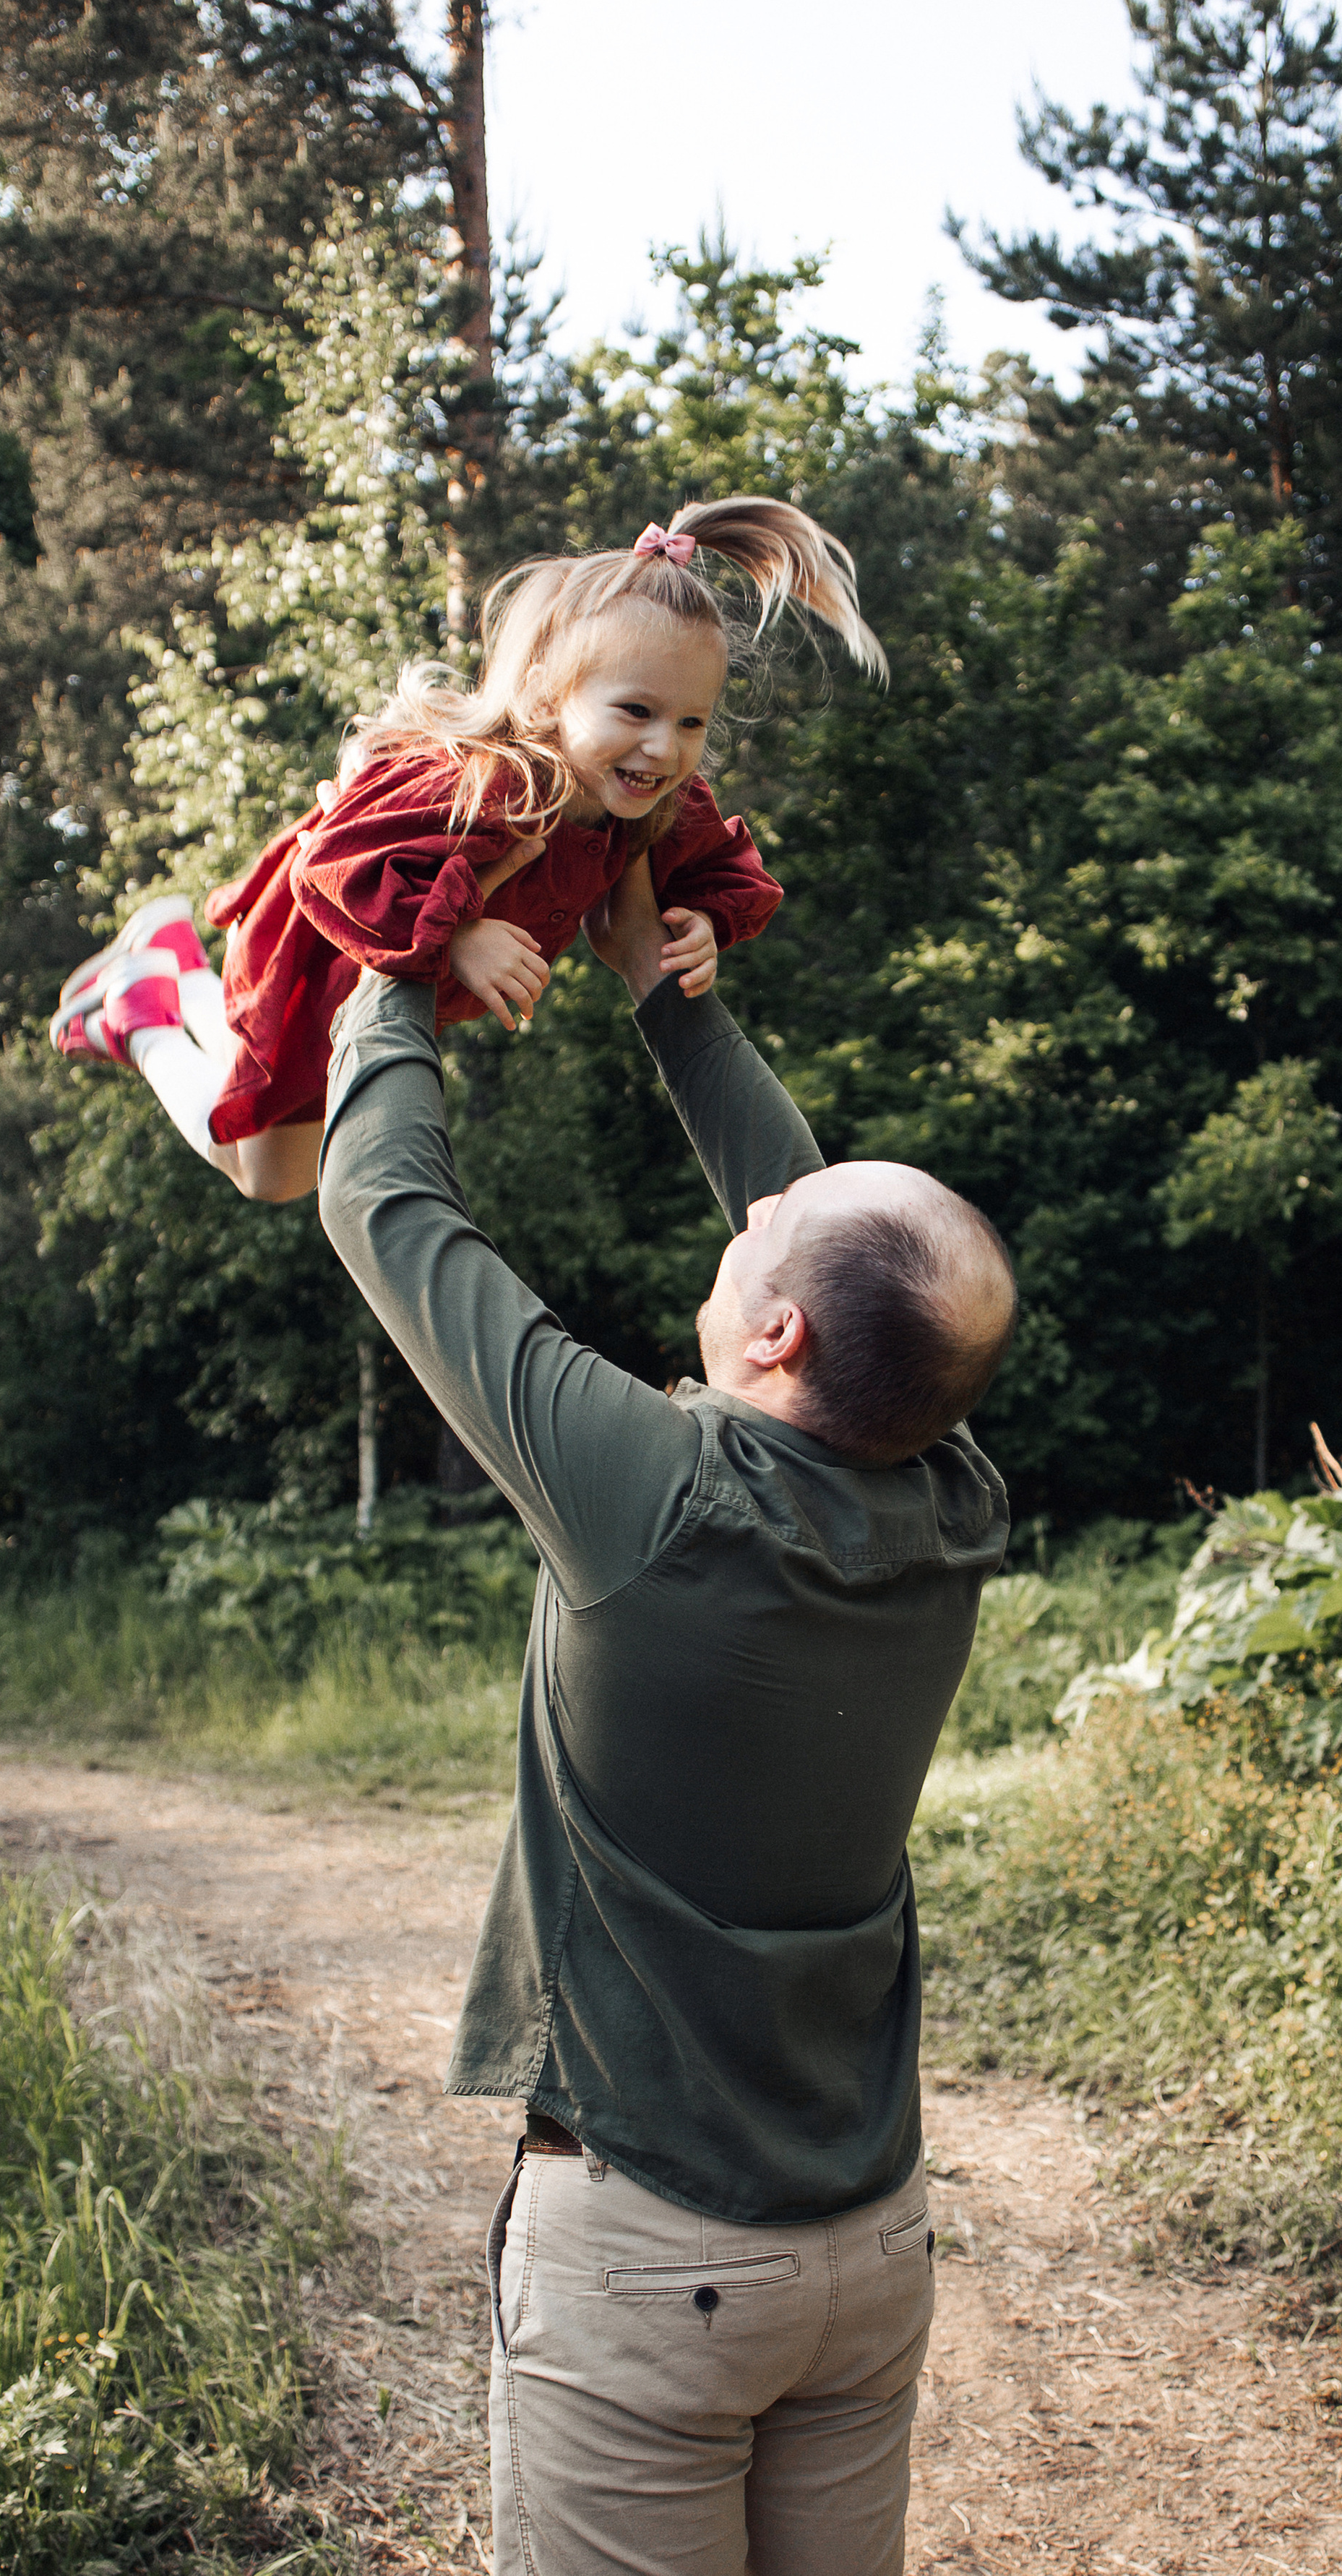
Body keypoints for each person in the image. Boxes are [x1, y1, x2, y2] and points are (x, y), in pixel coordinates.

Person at [315, 850, 1018, 2576]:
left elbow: (385, 1211)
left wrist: (390, 955)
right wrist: (666, 994)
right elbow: (856, 1267)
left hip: (655, 2257)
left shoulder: (654, 1499)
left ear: (770, 1326)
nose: (749, 1209)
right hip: (864, 2247)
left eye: (759, 1231)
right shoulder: (947, 1496)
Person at [48, 497, 879, 1203]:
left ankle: (166, 969)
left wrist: (701, 918)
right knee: (265, 1175)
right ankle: (142, 1012)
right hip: (325, 956)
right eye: (634, 711)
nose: (663, 748)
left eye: (690, 722)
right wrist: (457, 932)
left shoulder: (649, 799)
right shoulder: (493, 784)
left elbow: (710, 867)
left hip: (374, 971)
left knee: (273, 1168)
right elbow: (331, 865)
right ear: (552, 694)